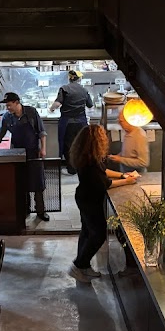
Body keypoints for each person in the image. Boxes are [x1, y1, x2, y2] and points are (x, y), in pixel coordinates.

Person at [68, 123, 138, 283]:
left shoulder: (86, 156)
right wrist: (128, 182)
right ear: (96, 140)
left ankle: (84, 266)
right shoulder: (90, 162)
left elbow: (104, 172)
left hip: (84, 197)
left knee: (87, 231)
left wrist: (122, 176)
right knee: (98, 235)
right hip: (90, 200)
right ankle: (78, 266)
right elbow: (105, 184)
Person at [0, 92, 49, 221]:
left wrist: (43, 149)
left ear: (17, 103)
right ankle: (24, 210)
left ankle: (40, 211)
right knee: (21, 183)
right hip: (17, 154)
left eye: (9, 105)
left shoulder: (31, 112)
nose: (7, 108)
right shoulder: (7, 117)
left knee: (38, 184)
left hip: (34, 152)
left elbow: (41, 132)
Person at [49, 69, 93, 171]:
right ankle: (81, 167)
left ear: (69, 78)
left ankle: (71, 168)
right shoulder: (84, 90)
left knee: (68, 145)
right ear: (79, 79)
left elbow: (57, 103)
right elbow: (90, 105)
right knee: (81, 144)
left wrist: (51, 109)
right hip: (81, 123)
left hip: (68, 123)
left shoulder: (64, 88)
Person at [107, 106, 149, 174]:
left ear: (129, 121)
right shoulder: (128, 132)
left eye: (121, 121)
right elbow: (129, 152)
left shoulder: (140, 136)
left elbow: (143, 162)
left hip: (137, 175)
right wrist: (118, 156)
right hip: (126, 173)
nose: (119, 123)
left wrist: (121, 159)